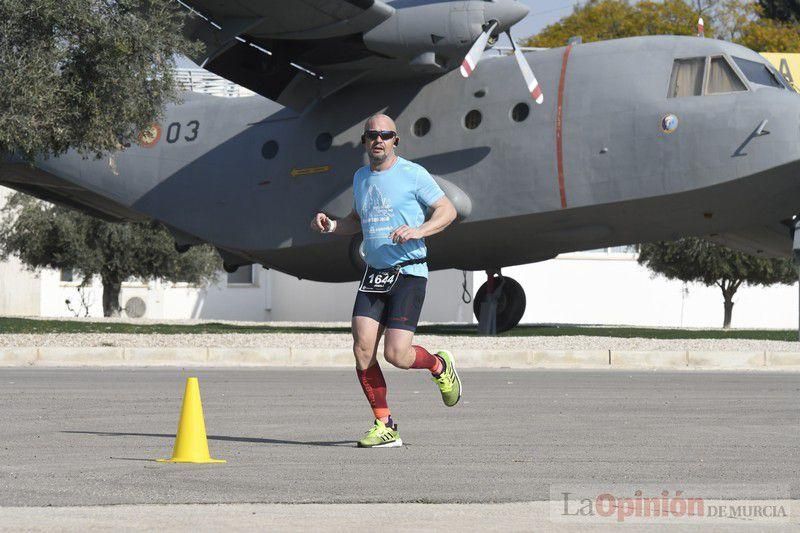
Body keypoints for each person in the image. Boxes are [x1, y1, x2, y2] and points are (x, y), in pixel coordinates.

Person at [310, 113, 460, 448]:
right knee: (363, 349)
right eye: (372, 135)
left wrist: (418, 230)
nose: (379, 140)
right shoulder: (361, 178)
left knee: (397, 354)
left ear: (395, 140)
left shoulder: (413, 174)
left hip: (409, 271)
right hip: (375, 274)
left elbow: (447, 210)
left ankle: (438, 364)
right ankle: (384, 424)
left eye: (386, 135)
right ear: (364, 141)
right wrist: (332, 226)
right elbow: (355, 222)